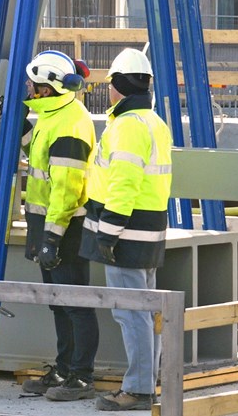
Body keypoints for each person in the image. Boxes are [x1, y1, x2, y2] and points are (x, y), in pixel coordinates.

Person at [79, 48, 172, 412]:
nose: (110, 93)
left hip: (126, 232)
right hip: (147, 229)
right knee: (144, 311)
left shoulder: (129, 127)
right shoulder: (154, 122)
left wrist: (108, 233)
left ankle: (137, 389)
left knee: (131, 312)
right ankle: (146, 383)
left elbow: (124, 184)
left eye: (112, 86)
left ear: (119, 86)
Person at [17, 50, 100, 402]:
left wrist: (52, 237)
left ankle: (81, 376)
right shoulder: (55, 116)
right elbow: (37, 155)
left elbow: (66, 190)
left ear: (47, 89)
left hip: (65, 228)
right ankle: (65, 369)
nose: (28, 89)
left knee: (75, 304)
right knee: (58, 301)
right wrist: (19, 125)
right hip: (48, 224)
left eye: (32, 85)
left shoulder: (70, 123)